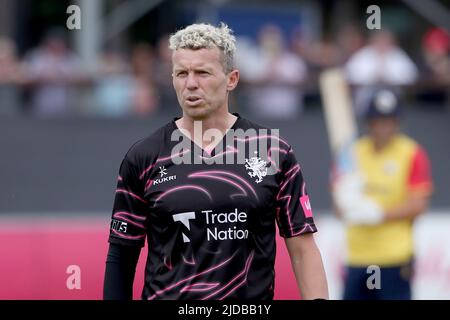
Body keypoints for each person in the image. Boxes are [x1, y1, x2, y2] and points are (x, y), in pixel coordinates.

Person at [103, 23, 328, 300]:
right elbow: (122, 256)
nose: (191, 84)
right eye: (182, 73)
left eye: (203, 73)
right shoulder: (144, 156)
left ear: (231, 79)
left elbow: (303, 250)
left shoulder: (272, 150)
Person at [332, 89, 433, 300]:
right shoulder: (351, 153)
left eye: (389, 121)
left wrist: (377, 213)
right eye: (378, 121)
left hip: (393, 258)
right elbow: (339, 205)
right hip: (357, 258)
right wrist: (349, 204)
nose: (384, 127)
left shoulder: (412, 153)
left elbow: (418, 204)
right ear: (369, 122)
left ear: (398, 122)